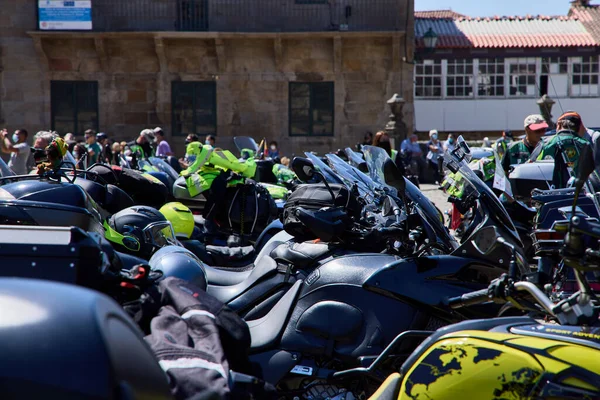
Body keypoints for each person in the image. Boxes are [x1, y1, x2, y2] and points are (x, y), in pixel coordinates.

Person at [536, 111, 590, 187]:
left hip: (550, 195)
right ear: (579, 127)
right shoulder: (586, 144)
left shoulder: (545, 143)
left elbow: (532, 167)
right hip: (582, 194)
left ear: (559, 125)